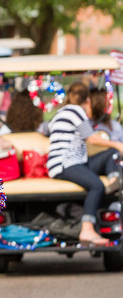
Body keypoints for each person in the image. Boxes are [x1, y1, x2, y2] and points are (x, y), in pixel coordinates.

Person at [46, 83, 123, 247]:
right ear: (87, 100)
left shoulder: (59, 113)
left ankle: (113, 181)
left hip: (73, 161)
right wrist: (117, 144)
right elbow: (92, 138)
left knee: (110, 155)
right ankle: (87, 230)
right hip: (65, 163)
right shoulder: (76, 111)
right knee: (96, 186)